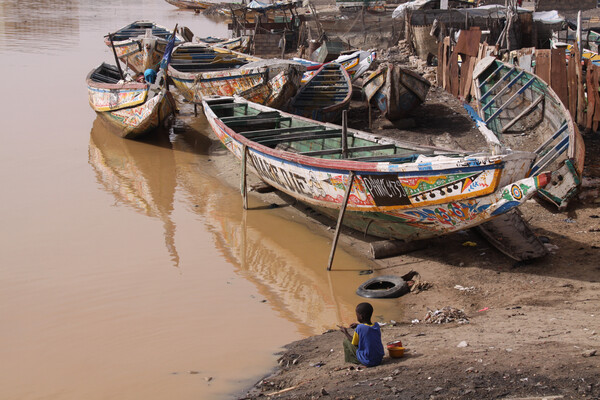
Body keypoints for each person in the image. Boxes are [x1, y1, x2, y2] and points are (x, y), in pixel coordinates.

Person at [338, 302, 384, 367]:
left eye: (357, 315)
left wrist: (346, 332)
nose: (357, 317)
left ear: (361, 316)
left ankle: (354, 360)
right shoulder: (376, 326)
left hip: (369, 361)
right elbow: (367, 329)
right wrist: (358, 325)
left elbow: (354, 343)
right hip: (379, 359)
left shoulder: (360, 328)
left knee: (346, 341)